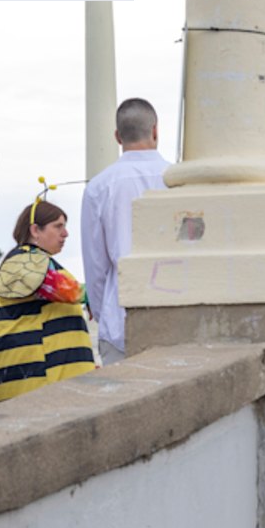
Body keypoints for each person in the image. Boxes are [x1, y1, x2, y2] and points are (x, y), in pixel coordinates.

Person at [80, 98, 169, 365]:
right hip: (173, 315)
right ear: (155, 130)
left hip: (119, 318)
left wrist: (101, 312)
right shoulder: (179, 178)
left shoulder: (99, 187)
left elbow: (95, 264)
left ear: (117, 137)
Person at [0, 201, 96, 402]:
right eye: (58, 226)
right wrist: (96, 294)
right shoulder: (25, 262)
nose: (65, 234)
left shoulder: (34, 261)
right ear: (35, 230)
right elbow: (60, 288)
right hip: (39, 380)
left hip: (44, 381)